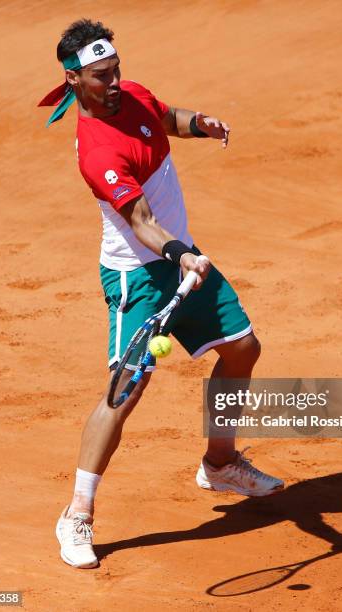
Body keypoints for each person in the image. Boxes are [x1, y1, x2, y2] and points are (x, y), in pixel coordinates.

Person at [39, 18, 284, 569]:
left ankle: (220, 465)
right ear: (75, 80)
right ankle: (77, 514)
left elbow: (162, 117)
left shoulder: (133, 96)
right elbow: (143, 220)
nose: (116, 81)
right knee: (123, 391)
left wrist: (199, 123)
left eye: (117, 69)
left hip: (183, 260)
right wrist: (181, 257)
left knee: (243, 349)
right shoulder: (96, 150)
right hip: (140, 275)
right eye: (102, 76)